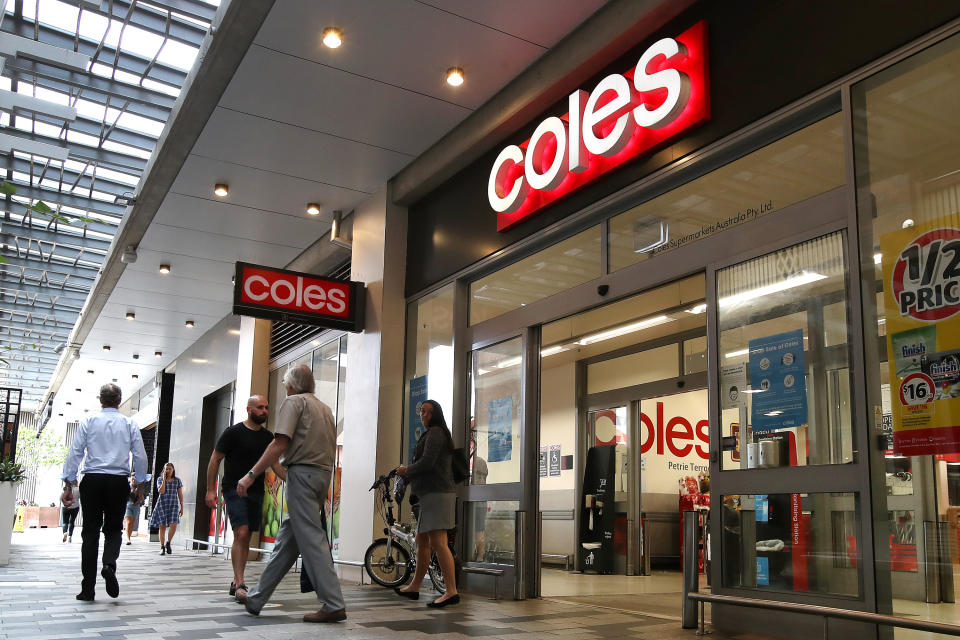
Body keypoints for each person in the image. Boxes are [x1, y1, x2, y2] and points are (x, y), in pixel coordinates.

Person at [235, 364, 345, 624]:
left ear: (292, 385)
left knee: (311, 538)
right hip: (321, 476)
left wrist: (251, 475)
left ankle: (333, 603)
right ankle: (257, 598)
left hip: (302, 476)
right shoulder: (325, 408)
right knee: (288, 539)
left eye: (285, 384)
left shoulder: (294, 402)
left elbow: (279, 443)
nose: (285, 388)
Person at [60, 383, 148, 601]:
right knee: (113, 529)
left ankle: (87, 588)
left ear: (101, 400)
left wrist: (69, 484)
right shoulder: (129, 423)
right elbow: (140, 455)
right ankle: (109, 564)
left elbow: (75, 452)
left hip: (92, 479)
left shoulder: (89, 421)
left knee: (89, 532)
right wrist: (139, 485)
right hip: (118, 481)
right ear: (119, 401)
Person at [205, 395, 284, 600]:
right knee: (241, 532)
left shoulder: (268, 437)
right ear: (249, 409)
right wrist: (210, 490)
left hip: (256, 491)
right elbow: (215, 459)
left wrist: (292, 479)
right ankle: (240, 582)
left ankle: (235, 580)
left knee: (247, 534)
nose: (265, 411)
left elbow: (274, 464)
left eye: (266, 407)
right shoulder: (233, 433)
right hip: (233, 489)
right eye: (260, 407)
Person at [395, 399, 460, 607]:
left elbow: (428, 461)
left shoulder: (436, 433)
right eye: (421, 411)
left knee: (438, 543)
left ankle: (451, 591)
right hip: (430, 495)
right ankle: (415, 586)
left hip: (437, 494)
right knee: (422, 542)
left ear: (435, 415)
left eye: (426, 412)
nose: (422, 415)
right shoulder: (433, 433)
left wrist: (407, 471)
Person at [150, 462, 183, 555]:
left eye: (170, 469)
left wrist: (182, 506)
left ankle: (168, 543)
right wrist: (164, 480)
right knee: (162, 526)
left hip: (174, 504)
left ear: (173, 470)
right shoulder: (160, 479)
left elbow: (180, 494)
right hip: (162, 504)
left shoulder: (177, 480)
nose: (168, 471)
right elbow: (161, 491)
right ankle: (162, 546)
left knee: (174, 524)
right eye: (166, 469)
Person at [123, 474, 143, 545]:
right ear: (131, 479)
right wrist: (132, 491)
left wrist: (139, 500)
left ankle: (129, 537)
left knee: (132, 523)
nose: (134, 480)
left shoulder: (139, 487)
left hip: (136, 506)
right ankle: (128, 539)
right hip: (128, 505)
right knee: (128, 521)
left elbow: (142, 498)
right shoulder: (127, 486)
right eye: (133, 479)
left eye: (135, 479)